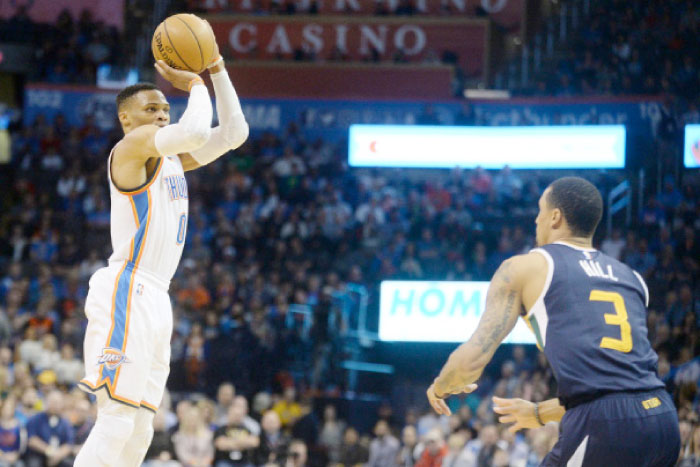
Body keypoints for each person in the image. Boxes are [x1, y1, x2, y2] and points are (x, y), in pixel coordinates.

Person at [74, 27, 249, 467]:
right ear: (126, 119)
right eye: (151, 108)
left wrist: (216, 67)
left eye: (165, 108)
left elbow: (233, 132)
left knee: (140, 430)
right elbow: (192, 133)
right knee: (115, 420)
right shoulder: (131, 148)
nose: (161, 114)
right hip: (126, 288)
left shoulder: (169, 159)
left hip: (157, 296)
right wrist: (192, 84)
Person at [426, 177, 681, 465]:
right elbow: (619, 386)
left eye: (540, 211)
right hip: (663, 419)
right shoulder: (631, 277)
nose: (536, 220)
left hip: (606, 426)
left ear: (555, 217)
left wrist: (440, 386)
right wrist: (538, 414)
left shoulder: (525, 267)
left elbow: (470, 361)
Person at [24, 390, 74, 467]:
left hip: (58, 455)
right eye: (52, 402)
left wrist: (58, 455)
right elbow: (31, 440)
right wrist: (49, 451)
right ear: (46, 402)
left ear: (62, 404)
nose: (55, 405)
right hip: (37, 455)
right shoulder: (35, 419)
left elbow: (69, 444)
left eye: (57, 403)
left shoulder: (65, 422)